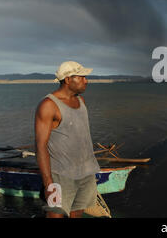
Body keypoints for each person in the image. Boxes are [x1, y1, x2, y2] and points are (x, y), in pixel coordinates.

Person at [34, 61, 100, 218]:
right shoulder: (48, 105)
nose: (86, 80)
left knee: (77, 214)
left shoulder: (81, 101)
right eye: (82, 77)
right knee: (55, 215)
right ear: (68, 79)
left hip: (86, 173)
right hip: (60, 175)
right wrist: (48, 182)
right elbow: (40, 146)